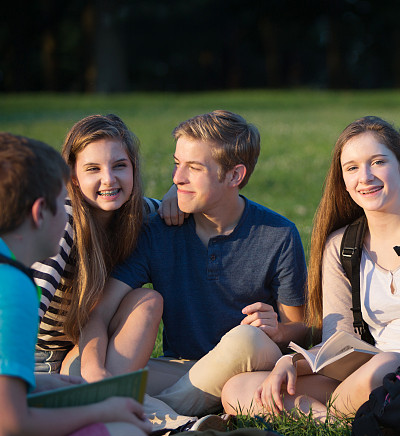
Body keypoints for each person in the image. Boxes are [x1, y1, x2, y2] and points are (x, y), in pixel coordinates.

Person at [221, 116, 400, 420]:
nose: (364, 177)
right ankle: (337, 419)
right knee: (239, 388)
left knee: (380, 369)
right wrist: (292, 363)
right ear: (342, 179)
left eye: (377, 162)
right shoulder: (341, 246)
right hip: (371, 370)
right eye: (352, 168)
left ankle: (332, 417)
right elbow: (337, 343)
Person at [0, 132, 176, 436]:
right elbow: (3, 431)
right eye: (64, 202)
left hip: (41, 377)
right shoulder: (9, 284)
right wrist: (99, 410)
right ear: (42, 212)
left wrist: (38, 385)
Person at [77, 110, 309, 419]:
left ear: (234, 176)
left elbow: (305, 331)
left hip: (251, 365)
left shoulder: (278, 234)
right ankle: (174, 414)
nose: (176, 178)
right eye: (177, 164)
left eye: (193, 168)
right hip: (183, 369)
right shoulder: (157, 231)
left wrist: (278, 331)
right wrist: (93, 371)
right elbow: (100, 312)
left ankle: (154, 416)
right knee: (93, 370)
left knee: (245, 338)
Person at [32, 114, 165, 381]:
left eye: (119, 166)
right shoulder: (63, 218)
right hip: (38, 359)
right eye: (93, 169)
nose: (109, 179)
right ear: (74, 177)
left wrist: (177, 198)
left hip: (87, 347)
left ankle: (104, 397)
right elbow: (30, 300)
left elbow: (195, 215)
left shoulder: (142, 214)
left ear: (134, 168)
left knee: (147, 300)